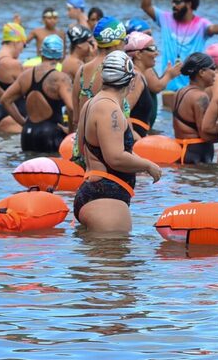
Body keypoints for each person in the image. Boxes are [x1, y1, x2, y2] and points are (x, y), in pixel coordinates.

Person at [75, 52, 162, 233]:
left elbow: (83, 150)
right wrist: (148, 165)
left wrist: (137, 161)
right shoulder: (109, 109)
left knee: (97, 260)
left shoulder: (91, 103)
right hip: (107, 198)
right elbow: (114, 157)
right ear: (130, 81)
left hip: (94, 192)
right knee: (116, 259)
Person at [141, 0, 218, 95]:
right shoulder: (166, 19)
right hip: (169, 88)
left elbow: (213, 29)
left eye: (177, 2)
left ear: (189, 4)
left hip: (194, 88)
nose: (173, 5)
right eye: (172, 2)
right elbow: (146, 6)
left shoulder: (201, 24)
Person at [1, 35, 74, 154]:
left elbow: (5, 100)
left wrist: (23, 123)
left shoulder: (26, 75)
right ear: (61, 55)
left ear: (41, 52)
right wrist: (71, 130)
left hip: (27, 135)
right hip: (50, 134)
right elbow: (71, 108)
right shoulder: (60, 79)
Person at [73, 17, 128, 129]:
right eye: (124, 40)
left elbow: (75, 118)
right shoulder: (120, 70)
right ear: (116, 43)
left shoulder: (81, 71)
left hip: (81, 142)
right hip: (108, 141)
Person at [172, 52, 218, 164]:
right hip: (196, 152)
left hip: (182, 150)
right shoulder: (200, 97)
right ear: (202, 72)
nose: (215, 73)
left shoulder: (179, 92)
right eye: (213, 68)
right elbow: (205, 132)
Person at [123, 31, 174, 136]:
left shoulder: (134, 74)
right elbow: (123, 111)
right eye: (152, 49)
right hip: (134, 140)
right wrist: (134, 136)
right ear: (138, 54)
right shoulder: (137, 77)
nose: (157, 53)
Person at [0, 22, 27, 134]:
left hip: (1, 114)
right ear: (16, 42)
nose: (22, 50)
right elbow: (30, 89)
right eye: (23, 45)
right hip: (13, 118)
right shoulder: (13, 63)